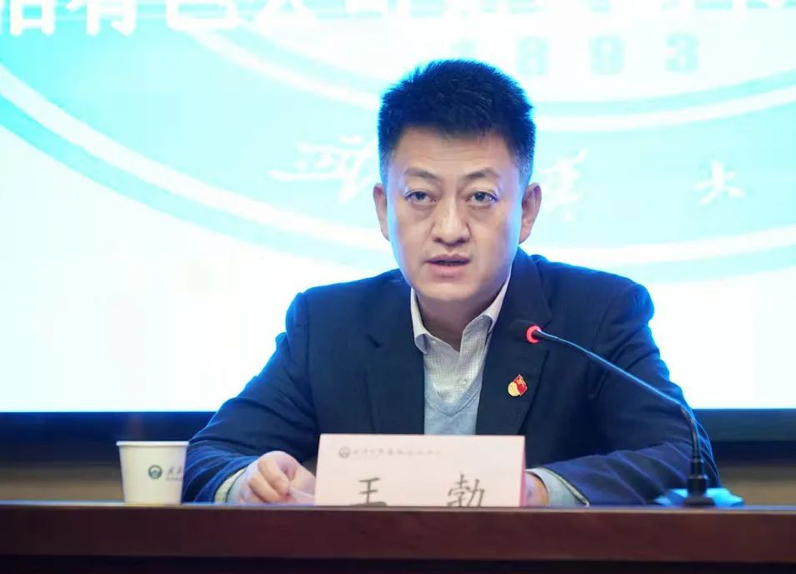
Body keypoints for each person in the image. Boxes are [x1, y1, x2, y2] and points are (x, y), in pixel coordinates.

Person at [182, 59, 718, 506]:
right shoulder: (328, 324)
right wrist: (251, 483)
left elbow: (683, 457)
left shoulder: (596, 313)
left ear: (527, 210)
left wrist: (535, 492)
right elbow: (209, 458)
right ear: (383, 208)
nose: (449, 229)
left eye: (480, 197)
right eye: (420, 196)